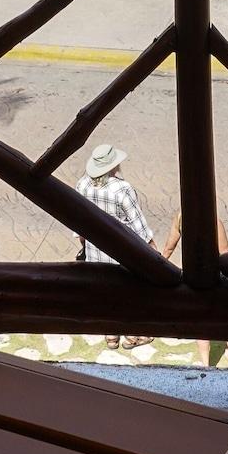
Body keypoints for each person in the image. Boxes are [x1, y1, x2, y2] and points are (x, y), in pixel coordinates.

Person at [75, 143, 154, 350]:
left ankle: (111, 334)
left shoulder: (82, 185)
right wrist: (155, 253)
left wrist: (84, 243)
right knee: (129, 294)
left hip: (95, 252)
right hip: (122, 253)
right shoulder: (122, 189)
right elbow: (140, 228)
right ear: (114, 165)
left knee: (106, 294)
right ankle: (133, 333)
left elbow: (78, 224)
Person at [161, 211, 228, 368]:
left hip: (194, 276)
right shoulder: (213, 221)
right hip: (215, 275)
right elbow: (225, 251)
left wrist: (158, 267)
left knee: (201, 320)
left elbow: (168, 248)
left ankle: (205, 364)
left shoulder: (180, 218)